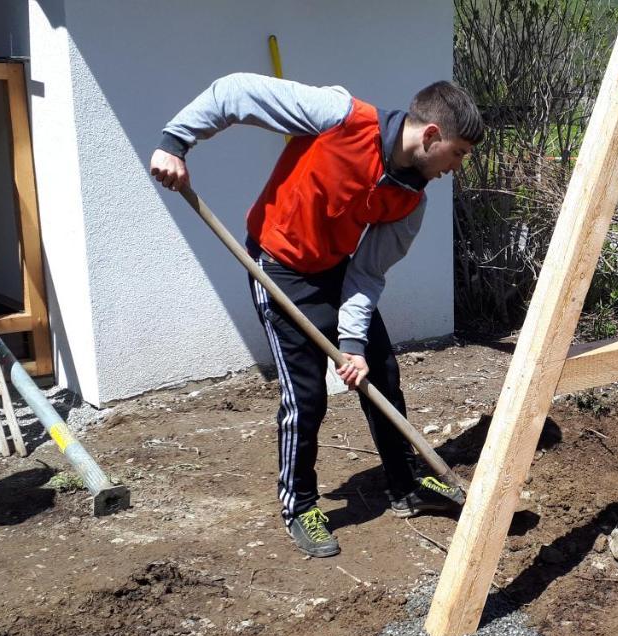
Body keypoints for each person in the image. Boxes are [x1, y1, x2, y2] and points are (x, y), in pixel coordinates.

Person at [149, 73, 485, 558]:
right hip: (278, 266)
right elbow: (235, 93)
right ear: (430, 136)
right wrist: (175, 142)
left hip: (336, 270)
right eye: (458, 153)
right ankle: (299, 503)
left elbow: (367, 274)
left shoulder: (410, 200)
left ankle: (404, 486)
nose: (456, 167)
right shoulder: (341, 116)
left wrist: (352, 345)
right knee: (306, 396)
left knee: (383, 375)